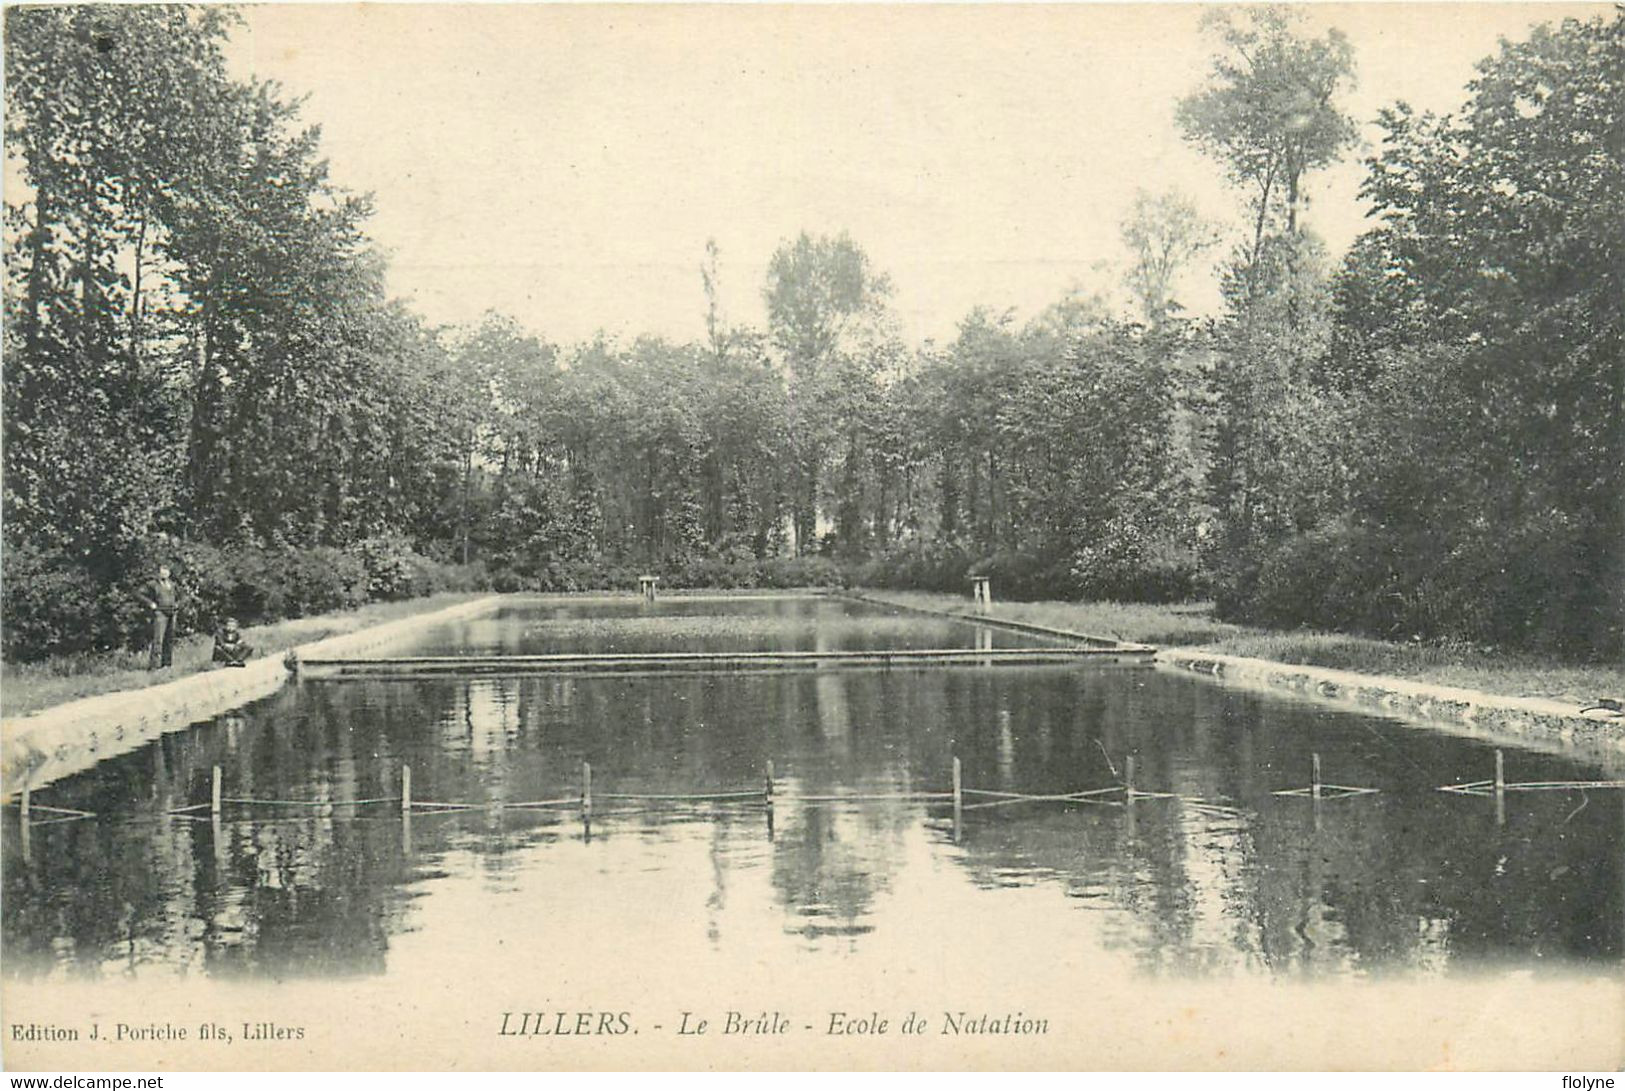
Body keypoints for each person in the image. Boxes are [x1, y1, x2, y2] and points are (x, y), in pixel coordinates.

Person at [143, 565, 178, 670]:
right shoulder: (153, 584)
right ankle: (154, 666)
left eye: (166, 572)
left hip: (172, 613)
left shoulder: (172, 584)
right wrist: (150, 603)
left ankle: (167, 664)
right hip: (160, 613)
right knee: (158, 639)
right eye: (162, 572)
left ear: (169, 573)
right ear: (159, 573)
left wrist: (178, 604)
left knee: (169, 639)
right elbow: (138, 593)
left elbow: (182, 596)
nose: (164, 574)